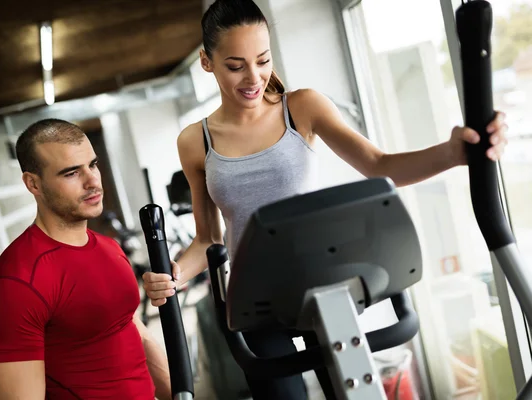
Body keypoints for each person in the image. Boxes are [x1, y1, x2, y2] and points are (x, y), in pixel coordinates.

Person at [142, 0, 510, 398]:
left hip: (322, 284)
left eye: (263, 60)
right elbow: (209, 240)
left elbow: (378, 164)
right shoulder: (195, 141)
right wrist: (174, 274)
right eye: (236, 65)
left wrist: (453, 154)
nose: (254, 77)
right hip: (255, 298)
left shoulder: (301, 107)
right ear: (207, 61)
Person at [0, 119, 171, 400]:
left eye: (93, 164)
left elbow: (133, 330)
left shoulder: (110, 248)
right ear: (34, 184)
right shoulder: (14, 283)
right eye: (71, 173)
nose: (92, 181)